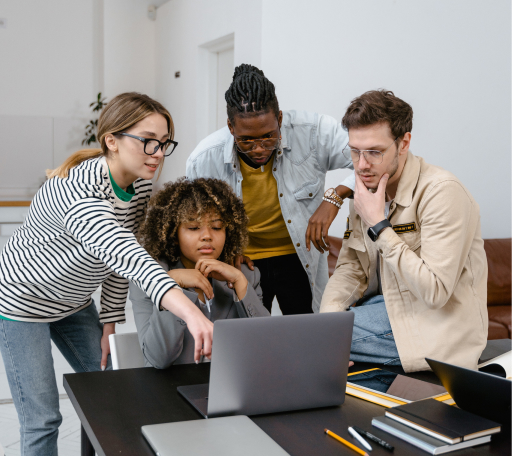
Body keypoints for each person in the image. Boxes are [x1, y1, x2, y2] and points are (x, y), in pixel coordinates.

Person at [0, 93, 214, 456]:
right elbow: (129, 256)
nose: (158, 153)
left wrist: (110, 323)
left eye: (164, 143)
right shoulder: (78, 193)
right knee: (43, 420)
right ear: (111, 141)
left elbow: (117, 264)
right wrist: (191, 312)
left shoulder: (140, 188)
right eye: (148, 141)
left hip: (74, 302)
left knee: (116, 388)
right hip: (23, 305)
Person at [320, 90, 488, 373]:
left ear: (404, 143)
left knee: (305, 344)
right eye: (355, 151)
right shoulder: (366, 188)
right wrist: (327, 323)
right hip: (384, 309)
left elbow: (435, 293)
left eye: (375, 151)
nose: (361, 165)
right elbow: (351, 269)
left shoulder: (442, 192)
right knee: (315, 335)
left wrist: (379, 225)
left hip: (436, 324)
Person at [186, 63, 355, 315]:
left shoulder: (314, 132)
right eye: (246, 140)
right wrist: (226, 250)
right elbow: (195, 220)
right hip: (245, 261)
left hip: (300, 257)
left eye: (268, 136)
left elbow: (371, 161)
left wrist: (335, 196)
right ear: (231, 128)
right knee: (251, 339)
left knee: (307, 334)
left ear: (279, 119)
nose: (258, 148)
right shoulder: (204, 159)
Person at [129, 177, 270, 368]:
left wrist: (240, 282)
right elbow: (158, 359)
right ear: (173, 232)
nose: (207, 236)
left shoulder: (245, 273)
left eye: (217, 227)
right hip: (171, 390)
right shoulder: (149, 276)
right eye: (194, 227)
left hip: (232, 389)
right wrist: (174, 284)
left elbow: (267, 347)